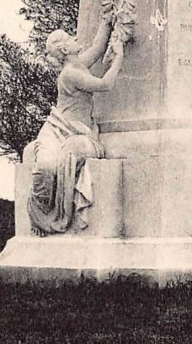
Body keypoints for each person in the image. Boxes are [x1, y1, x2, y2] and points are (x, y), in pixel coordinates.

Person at [25, 14, 124, 235]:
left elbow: (98, 48)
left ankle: (44, 215)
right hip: (56, 131)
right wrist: (119, 58)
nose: (75, 38)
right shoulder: (70, 74)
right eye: (70, 38)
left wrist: (106, 20)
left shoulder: (79, 64)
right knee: (46, 168)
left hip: (73, 132)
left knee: (53, 165)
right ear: (64, 50)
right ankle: (39, 216)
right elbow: (105, 84)